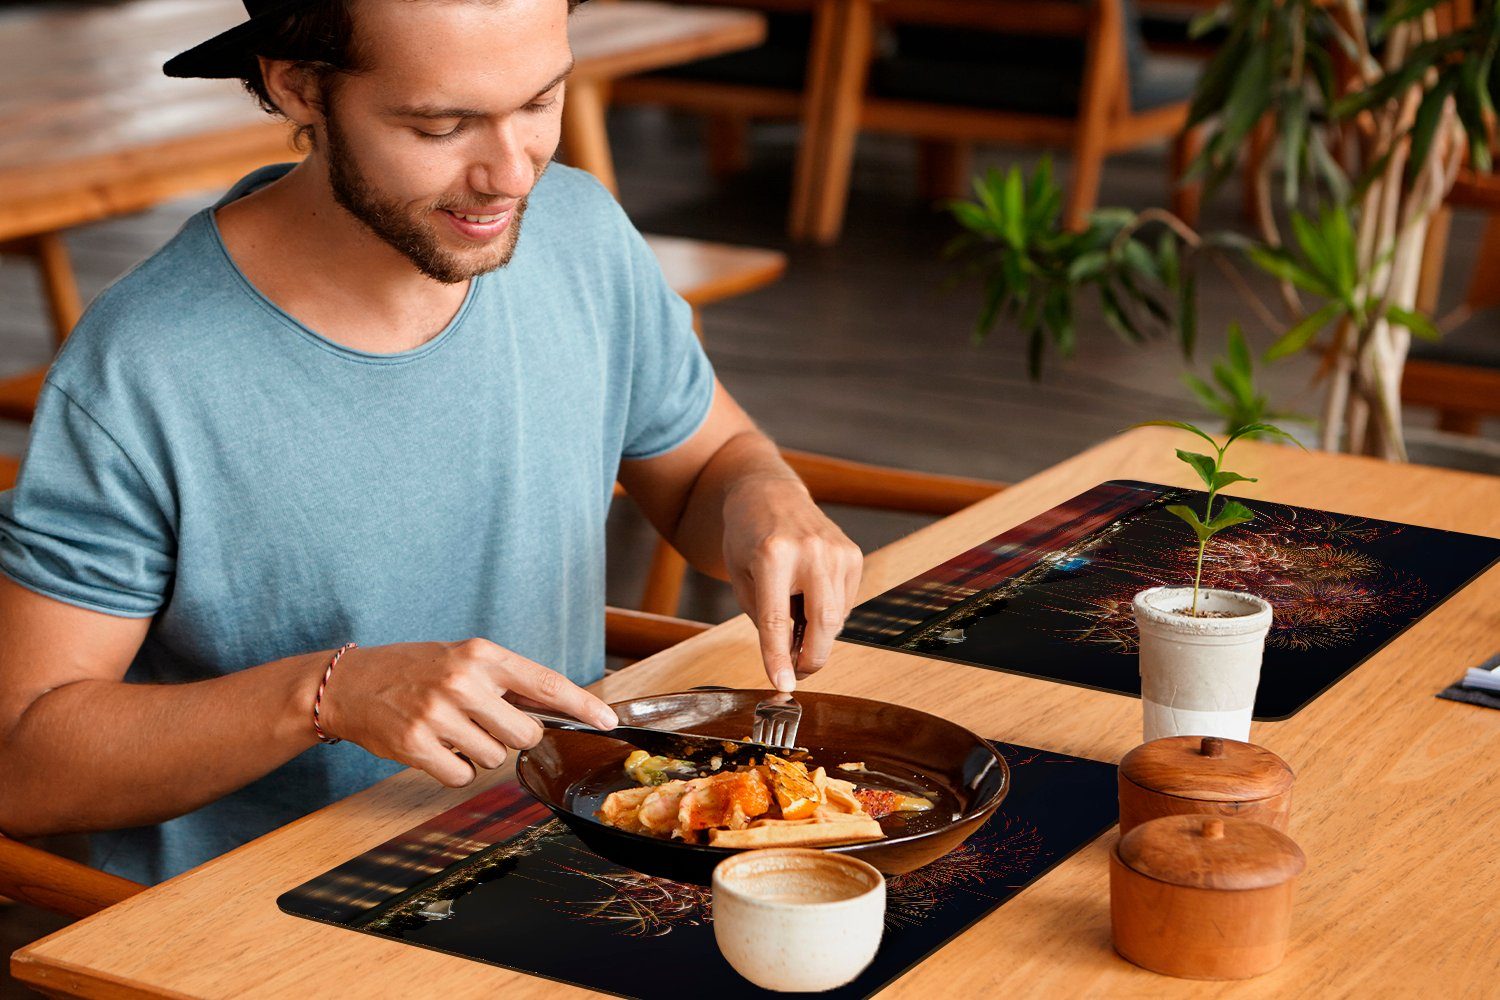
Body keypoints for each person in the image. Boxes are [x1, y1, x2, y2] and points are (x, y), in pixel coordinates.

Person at [0, 0, 862, 885]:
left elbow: (706, 467)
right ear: (295, 84)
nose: (511, 174)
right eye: (442, 125)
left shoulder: (578, 231)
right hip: (275, 924)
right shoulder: (145, 363)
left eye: (539, 102)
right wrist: (328, 695)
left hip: (563, 859)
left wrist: (768, 499)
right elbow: (24, 765)